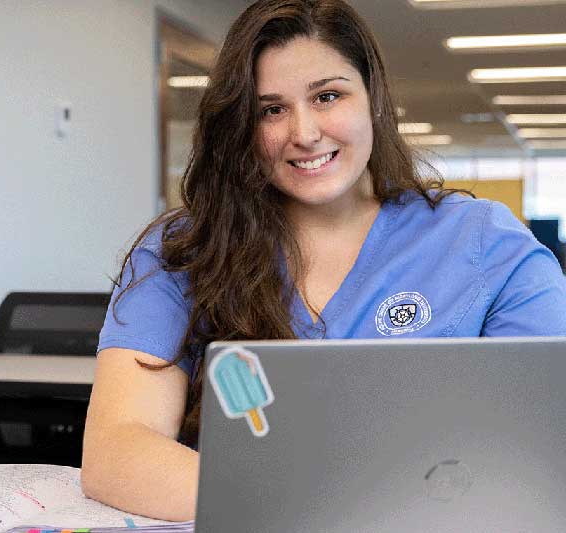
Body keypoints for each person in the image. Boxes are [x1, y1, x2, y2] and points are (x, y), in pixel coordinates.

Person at [80, 0, 566, 522]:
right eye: (271, 109)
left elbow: (544, 446)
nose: (305, 132)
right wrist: (322, 510)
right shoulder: (183, 250)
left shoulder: (486, 243)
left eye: (327, 95)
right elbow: (118, 451)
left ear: (373, 98)